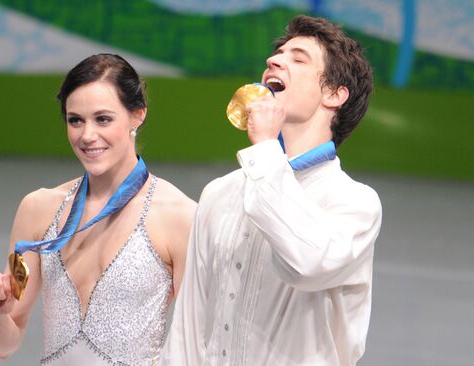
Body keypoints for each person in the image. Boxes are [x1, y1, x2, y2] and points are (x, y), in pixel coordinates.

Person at [161, 15, 382, 366]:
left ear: (334, 94)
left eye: (298, 58)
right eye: (277, 54)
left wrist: (266, 146)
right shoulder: (220, 193)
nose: (273, 61)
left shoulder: (355, 204)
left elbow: (305, 263)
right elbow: (189, 323)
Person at [0, 53, 197, 365]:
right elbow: (4, 345)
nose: (87, 135)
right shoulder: (37, 209)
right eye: (75, 120)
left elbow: (197, 341)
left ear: (138, 115)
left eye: (103, 119)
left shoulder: (179, 216)